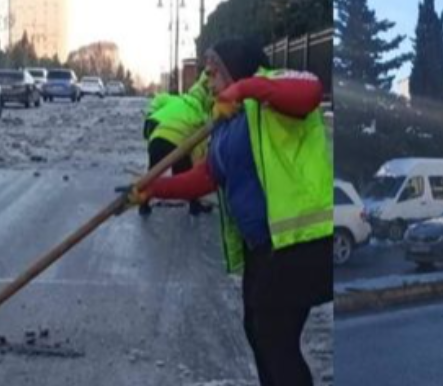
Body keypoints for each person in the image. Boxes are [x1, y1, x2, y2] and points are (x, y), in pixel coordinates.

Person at [120, 38, 333, 386]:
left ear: (236, 66)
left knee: (274, 339)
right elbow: (205, 175)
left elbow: (311, 91)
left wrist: (242, 91)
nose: (207, 72)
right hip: (262, 247)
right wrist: (152, 188)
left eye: (214, 64)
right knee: (258, 333)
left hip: (299, 242)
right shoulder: (224, 123)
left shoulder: (272, 90)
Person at [140, 73, 215, 216]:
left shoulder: (177, 99)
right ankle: (194, 205)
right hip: (176, 144)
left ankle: (143, 205)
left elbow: (159, 98)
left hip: (156, 138)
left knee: (152, 174)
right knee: (187, 177)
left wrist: (151, 114)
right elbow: (199, 150)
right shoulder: (202, 117)